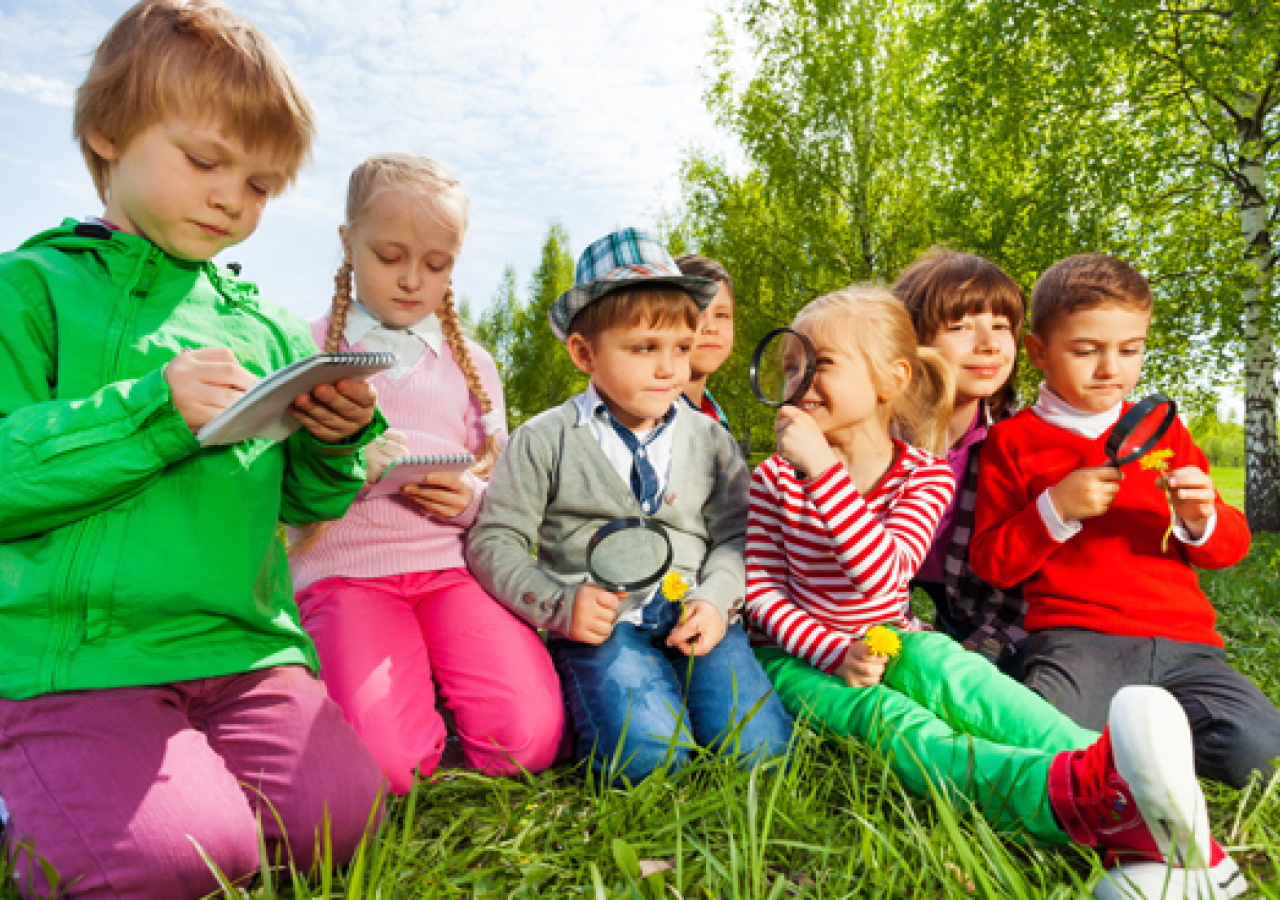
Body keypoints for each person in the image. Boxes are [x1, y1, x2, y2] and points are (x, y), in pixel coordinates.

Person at [0, 2, 386, 897]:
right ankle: (28, 786)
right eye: (205, 161)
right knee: (182, 865)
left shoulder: (269, 329)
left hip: (238, 649)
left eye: (259, 185)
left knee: (343, 822)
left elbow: (302, 506)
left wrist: (333, 442)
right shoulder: (30, 289)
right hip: (79, 663)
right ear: (107, 132)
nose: (229, 198)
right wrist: (151, 414)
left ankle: (143, 789)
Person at [746, 286, 1244, 899]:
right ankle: (1073, 802)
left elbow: (883, 575)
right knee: (895, 721)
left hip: (893, 636)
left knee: (960, 677)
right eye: (790, 366)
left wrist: (824, 474)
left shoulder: (923, 477)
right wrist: (830, 651)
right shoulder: (773, 478)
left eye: (818, 365)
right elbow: (761, 592)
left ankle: (1136, 788)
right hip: (800, 659)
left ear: (889, 379)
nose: (798, 380)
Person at [467, 228, 794, 785]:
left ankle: (676, 691)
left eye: (682, 350)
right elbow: (492, 540)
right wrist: (558, 602)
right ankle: (594, 699)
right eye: (645, 348)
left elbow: (736, 538)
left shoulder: (711, 442)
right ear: (584, 352)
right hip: (601, 627)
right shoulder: (545, 438)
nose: (670, 369)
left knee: (761, 754)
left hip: (695, 618)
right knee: (649, 760)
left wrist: (716, 603)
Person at [290, 154, 563, 791]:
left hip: (452, 570)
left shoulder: (476, 365)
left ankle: (441, 685)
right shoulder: (305, 350)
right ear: (347, 243)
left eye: (437, 265)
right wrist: (344, 466)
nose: (413, 279)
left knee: (529, 742)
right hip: (347, 574)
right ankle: (405, 703)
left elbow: (503, 487)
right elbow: (280, 489)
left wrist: (470, 498)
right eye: (390, 256)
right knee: (389, 767)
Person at [972, 252, 1280, 790]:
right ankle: (1127, 749)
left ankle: (1150, 740)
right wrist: (1054, 510)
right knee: (1045, 753)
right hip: (1078, 640)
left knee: (1262, 757)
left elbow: (1227, 550)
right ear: (1039, 352)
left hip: (1186, 645)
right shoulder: (1011, 441)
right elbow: (992, 564)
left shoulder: (1163, 432)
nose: (1111, 369)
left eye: (1130, 350)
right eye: (1086, 351)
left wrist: (1202, 517)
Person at [891, 248, 1029, 673]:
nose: (987, 344)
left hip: (980, 608)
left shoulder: (1017, 440)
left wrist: (981, 647)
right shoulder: (874, 435)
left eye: (1001, 326)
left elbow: (1031, 590)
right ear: (911, 341)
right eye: (960, 326)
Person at [674, 254, 734, 429]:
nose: (710, 327)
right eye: (697, 313)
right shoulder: (652, 418)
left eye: (722, 315)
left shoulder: (714, 415)